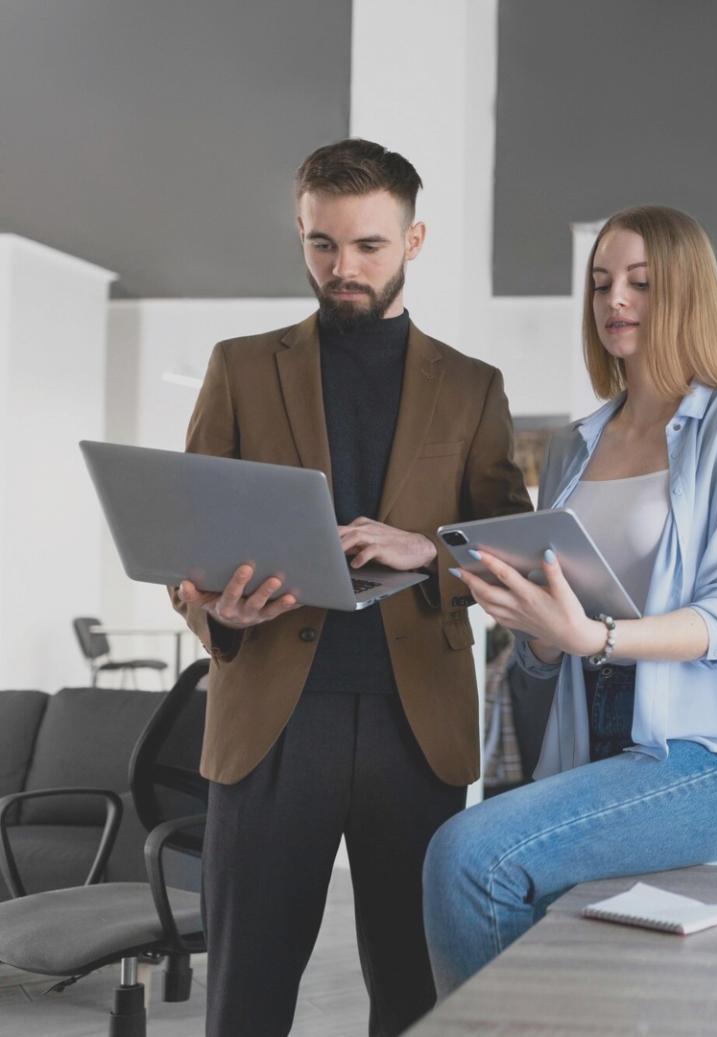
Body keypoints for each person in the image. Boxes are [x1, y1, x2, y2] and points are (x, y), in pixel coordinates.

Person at [170, 138, 530, 1036]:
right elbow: (189, 540)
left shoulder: (474, 388)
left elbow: (510, 553)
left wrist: (427, 551)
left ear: (412, 241)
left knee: (414, 995)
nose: (342, 268)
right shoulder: (241, 366)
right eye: (321, 245)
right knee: (245, 996)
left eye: (368, 245)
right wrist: (211, 607)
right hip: (271, 720)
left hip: (418, 727)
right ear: (300, 233)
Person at [421, 205, 717, 996]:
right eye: (600, 283)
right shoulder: (571, 446)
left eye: (641, 283)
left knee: (466, 855)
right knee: (517, 890)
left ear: (685, 293)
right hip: (591, 744)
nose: (614, 299)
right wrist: (537, 626)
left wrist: (593, 638)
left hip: (705, 757)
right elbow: (549, 644)